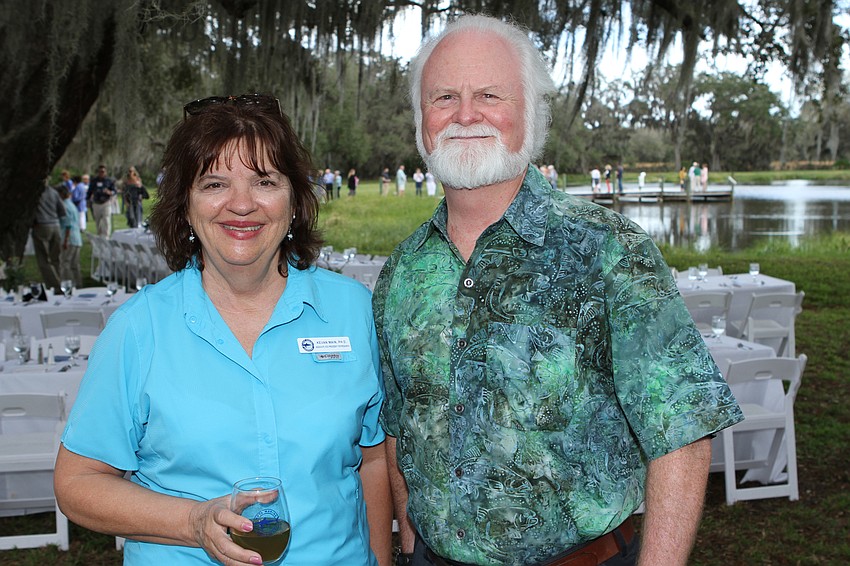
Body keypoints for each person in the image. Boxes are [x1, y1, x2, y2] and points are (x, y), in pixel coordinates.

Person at [372, 15, 743, 566]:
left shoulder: (608, 250)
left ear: (531, 114)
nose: (465, 114)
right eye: (444, 96)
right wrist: (409, 541)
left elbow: (684, 432)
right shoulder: (404, 272)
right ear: (420, 120)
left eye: (490, 94)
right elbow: (400, 427)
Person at [54, 93, 392, 566]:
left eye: (264, 181)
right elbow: (76, 483)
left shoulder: (353, 311)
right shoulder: (139, 328)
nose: (241, 204)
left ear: (293, 199)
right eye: (214, 184)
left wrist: (379, 558)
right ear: (186, 206)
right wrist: (192, 522)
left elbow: (373, 456)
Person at [32, 181, 66, 292]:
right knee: (56, 258)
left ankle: (55, 285)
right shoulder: (53, 192)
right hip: (55, 225)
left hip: (41, 225)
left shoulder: (35, 193)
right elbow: (62, 211)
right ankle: (59, 282)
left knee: (43, 259)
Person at [58, 184, 83, 286]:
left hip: (69, 238)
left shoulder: (64, 205)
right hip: (77, 238)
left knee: (65, 263)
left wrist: (65, 241)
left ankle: (67, 285)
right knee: (74, 264)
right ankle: (78, 284)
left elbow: (68, 224)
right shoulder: (72, 205)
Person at [87, 164, 116, 236]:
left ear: (105, 172)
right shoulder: (94, 181)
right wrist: (87, 201)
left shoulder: (109, 181)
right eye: (100, 172)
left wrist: (109, 192)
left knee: (106, 220)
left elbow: (114, 191)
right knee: (98, 221)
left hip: (106, 203)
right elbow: (89, 192)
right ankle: (99, 235)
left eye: (103, 171)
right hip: (96, 203)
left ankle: (106, 236)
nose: (101, 173)